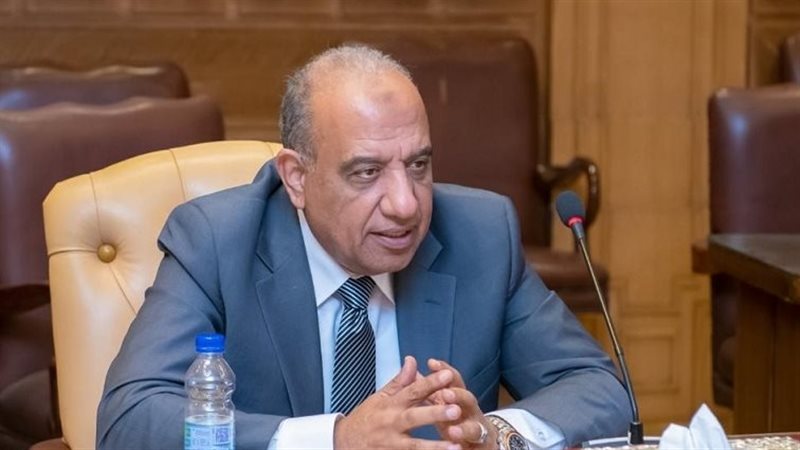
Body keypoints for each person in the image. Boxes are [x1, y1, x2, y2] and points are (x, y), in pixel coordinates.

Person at [97, 44, 631, 450]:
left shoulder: (480, 234)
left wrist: (494, 433)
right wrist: (335, 439)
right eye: (367, 172)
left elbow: (600, 389)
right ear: (296, 178)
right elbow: (129, 419)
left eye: (418, 165)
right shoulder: (217, 240)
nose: (405, 204)